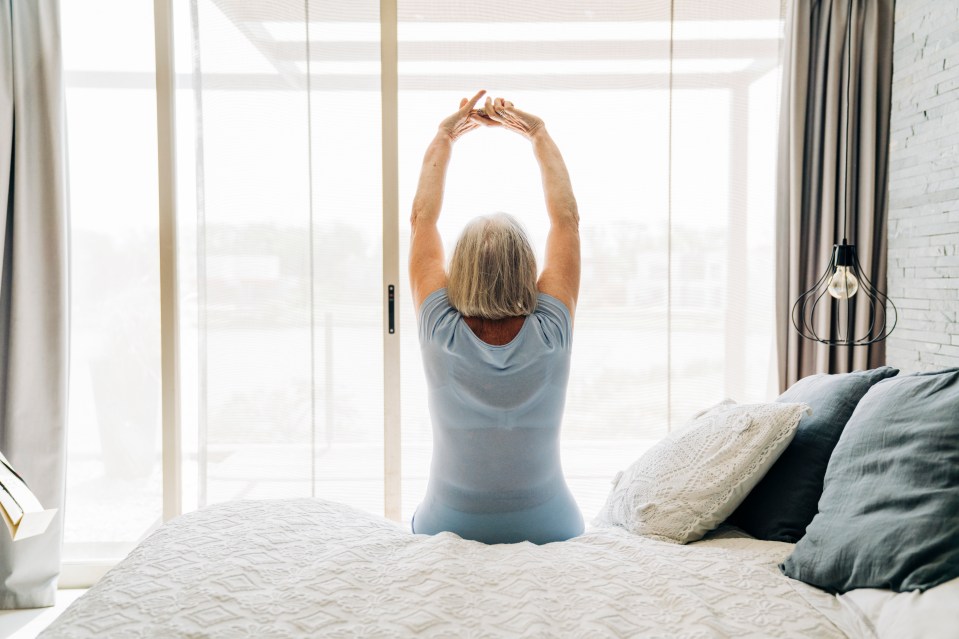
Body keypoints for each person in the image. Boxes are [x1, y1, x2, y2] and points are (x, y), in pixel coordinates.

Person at [408, 89, 584, 545]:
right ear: (527, 267)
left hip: (446, 524)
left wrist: (445, 137)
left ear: (458, 269)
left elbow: (422, 221)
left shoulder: (438, 327)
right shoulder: (552, 329)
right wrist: (538, 134)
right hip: (552, 526)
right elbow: (566, 221)